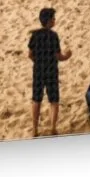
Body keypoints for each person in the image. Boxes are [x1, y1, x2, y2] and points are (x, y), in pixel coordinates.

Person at [28, 7, 72, 136]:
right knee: (54, 100)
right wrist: (67, 56)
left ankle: (35, 129)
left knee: (36, 100)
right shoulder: (53, 36)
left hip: (38, 71)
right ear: (48, 21)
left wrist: (38, 62)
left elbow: (30, 54)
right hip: (51, 71)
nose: (55, 20)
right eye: (53, 18)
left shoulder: (34, 35)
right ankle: (53, 128)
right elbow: (59, 56)